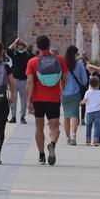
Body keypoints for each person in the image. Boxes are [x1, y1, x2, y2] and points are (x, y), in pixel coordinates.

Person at [26, 35, 69, 165]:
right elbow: (65, 76)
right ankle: (52, 144)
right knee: (54, 128)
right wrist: (62, 87)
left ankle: (41, 155)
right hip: (53, 99)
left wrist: (29, 100)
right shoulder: (59, 60)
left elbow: (30, 82)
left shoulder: (32, 62)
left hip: (38, 99)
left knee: (39, 128)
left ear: (37, 46)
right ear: (49, 44)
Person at [60, 46, 90, 145]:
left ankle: (68, 137)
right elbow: (85, 80)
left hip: (64, 93)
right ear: (75, 54)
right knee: (74, 115)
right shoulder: (79, 65)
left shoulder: (62, 64)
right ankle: (73, 135)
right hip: (75, 93)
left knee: (66, 116)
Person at [6, 38, 34, 124]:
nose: (20, 47)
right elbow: (8, 50)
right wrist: (14, 42)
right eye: (18, 45)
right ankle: (13, 116)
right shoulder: (15, 53)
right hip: (14, 79)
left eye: (21, 45)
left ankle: (22, 116)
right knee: (13, 98)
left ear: (24, 46)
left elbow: (34, 57)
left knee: (23, 99)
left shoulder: (28, 54)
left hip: (24, 79)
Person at [83, 76, 100, 146]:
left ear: (90, 84)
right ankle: (96, 140)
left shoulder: (87, 92)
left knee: (89, 126)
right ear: (99, 84)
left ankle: (88, 140)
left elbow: (85, 101)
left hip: (89, 112)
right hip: (98, 111)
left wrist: (80, 103)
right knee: (97, 126)